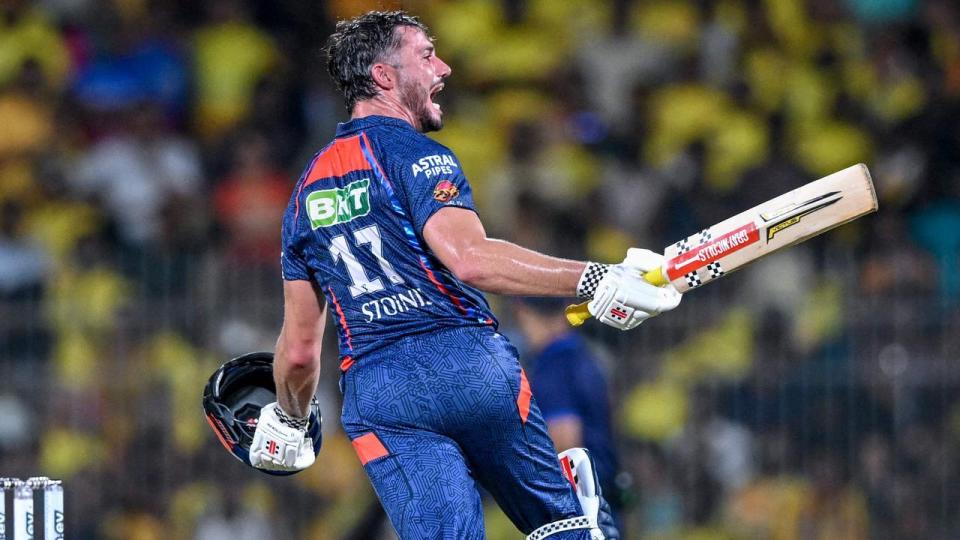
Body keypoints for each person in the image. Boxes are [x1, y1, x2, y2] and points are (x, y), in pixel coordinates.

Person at [248, 10, 681, 539]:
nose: (445, 67)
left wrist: (291, 419)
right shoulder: (417, 154)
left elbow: (296, 353)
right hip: (469, 365)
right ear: (385, 76)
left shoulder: (301, 196)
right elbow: (470, 259)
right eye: (427, 55)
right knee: (567, 528)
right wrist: (593, 277)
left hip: (379, 393)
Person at [513, 297, 622, 514]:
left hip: (579, 507)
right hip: (603, 498)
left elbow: (565, 445)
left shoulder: (554, 364)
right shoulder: (582, 354)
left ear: (522, 312)